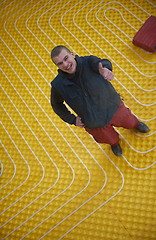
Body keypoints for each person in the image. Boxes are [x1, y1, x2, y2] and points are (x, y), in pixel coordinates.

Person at [50, 45, 149, 156]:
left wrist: (106, 70)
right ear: (57, 66)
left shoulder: (89, 61)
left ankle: (135, 124)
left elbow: (103, 63)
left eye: (66, 58)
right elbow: (56, 105)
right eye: (60, 63)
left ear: (72, 55)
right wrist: (72, 119)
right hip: (94, 122)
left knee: (129, 121)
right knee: (108, 138)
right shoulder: (58, 85)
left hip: (114, 108)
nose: (65, 64)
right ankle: (115, 143)